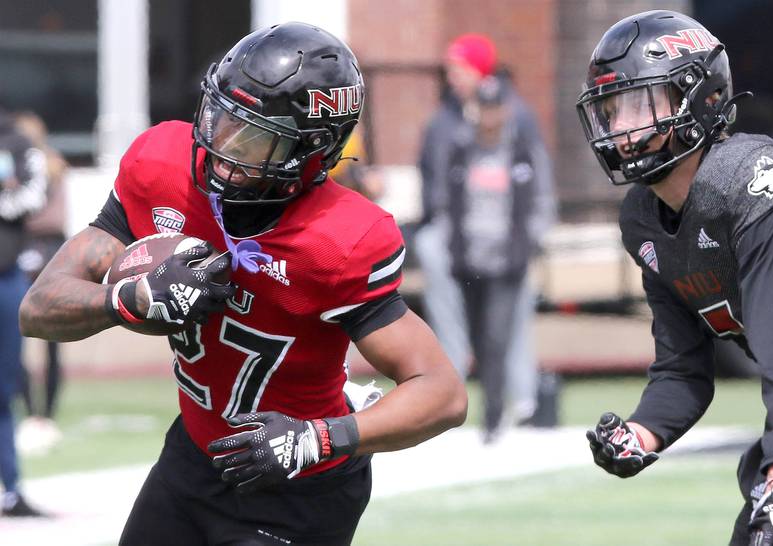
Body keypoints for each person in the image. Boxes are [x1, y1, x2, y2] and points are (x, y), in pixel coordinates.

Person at [19, 22, 467, 545]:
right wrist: (126, 300)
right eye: (221, 118)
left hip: (299, 490)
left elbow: (443, 392)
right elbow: (38, 309)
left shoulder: (338, 240)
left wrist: (320, 438)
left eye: (255, 137)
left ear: (313, 151)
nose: (222, 145)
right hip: (193, 459)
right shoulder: (162, 167)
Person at [576, 10, 773, 545]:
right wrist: (641, 433)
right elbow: (682, 367)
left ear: (699, 98)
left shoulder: (751, 184)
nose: (621, 128)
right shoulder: (644, 218)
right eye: (610, 110)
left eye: (636, 104)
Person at [416, 33, 551, 428]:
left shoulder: (516, 114)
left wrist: (533, 234)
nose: (453, 77)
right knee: (449, 309)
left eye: (460, 68)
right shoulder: (444, 118)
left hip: (507, 237)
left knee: (509, 318)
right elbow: (436, 183)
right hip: (453, 233)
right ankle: (450, 389)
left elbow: (536, 181)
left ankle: (522, 401)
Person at [445, 75, 555, 442]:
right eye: (484, 107)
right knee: (477, 338)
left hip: (508, 261)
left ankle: (493, 416)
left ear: (506, 109)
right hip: (468, 260)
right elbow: (449, 201)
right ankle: (491, 409)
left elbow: (541, 201)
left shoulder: (522, 151)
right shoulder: (462, 150)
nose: (489, 116)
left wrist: (531, 241)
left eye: (496, 107)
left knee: (497, 336)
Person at [0, 107, 48, 517]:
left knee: (5, 387)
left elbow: (33, 194)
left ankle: (11, 489)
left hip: (5, 278)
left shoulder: (16, 141)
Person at [15, 111, 68, 454]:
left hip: (32, 249)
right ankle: (44, 416)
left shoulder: (34, 166)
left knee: (19, 335)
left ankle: (35, 414)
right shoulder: (55, 163)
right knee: (51, 340)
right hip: (53, 249)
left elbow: (33, 213)